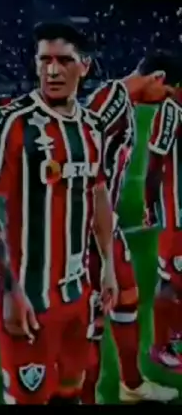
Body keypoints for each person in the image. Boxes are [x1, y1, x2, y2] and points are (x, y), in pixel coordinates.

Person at [0, 21, 117, 405]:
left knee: (71, 390)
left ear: (84, 66)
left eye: (64, 61)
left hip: (78, 294)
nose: (52, 70)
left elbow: (98, 196)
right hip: (29, 298)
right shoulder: (12, 122)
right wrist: (10, 289)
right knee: (31, 399)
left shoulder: (93, 128)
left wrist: (107, 264)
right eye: (44, 60)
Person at [82, 52, 179, 404]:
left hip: (106, 225)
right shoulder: (111, 101)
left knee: (127, 300)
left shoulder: (124, 103)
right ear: (157, 77)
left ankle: (132, 384)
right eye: (166, 91)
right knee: (91, 322)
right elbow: (82, 156)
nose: (164, 99)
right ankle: (86, 396)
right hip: (86, 229)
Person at [145, 60, 182, 375]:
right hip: (179, 215)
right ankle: (159, 347)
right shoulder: (172, 108)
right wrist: (149, 203)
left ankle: (176, 329)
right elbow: (155, 160)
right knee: (171, 281)